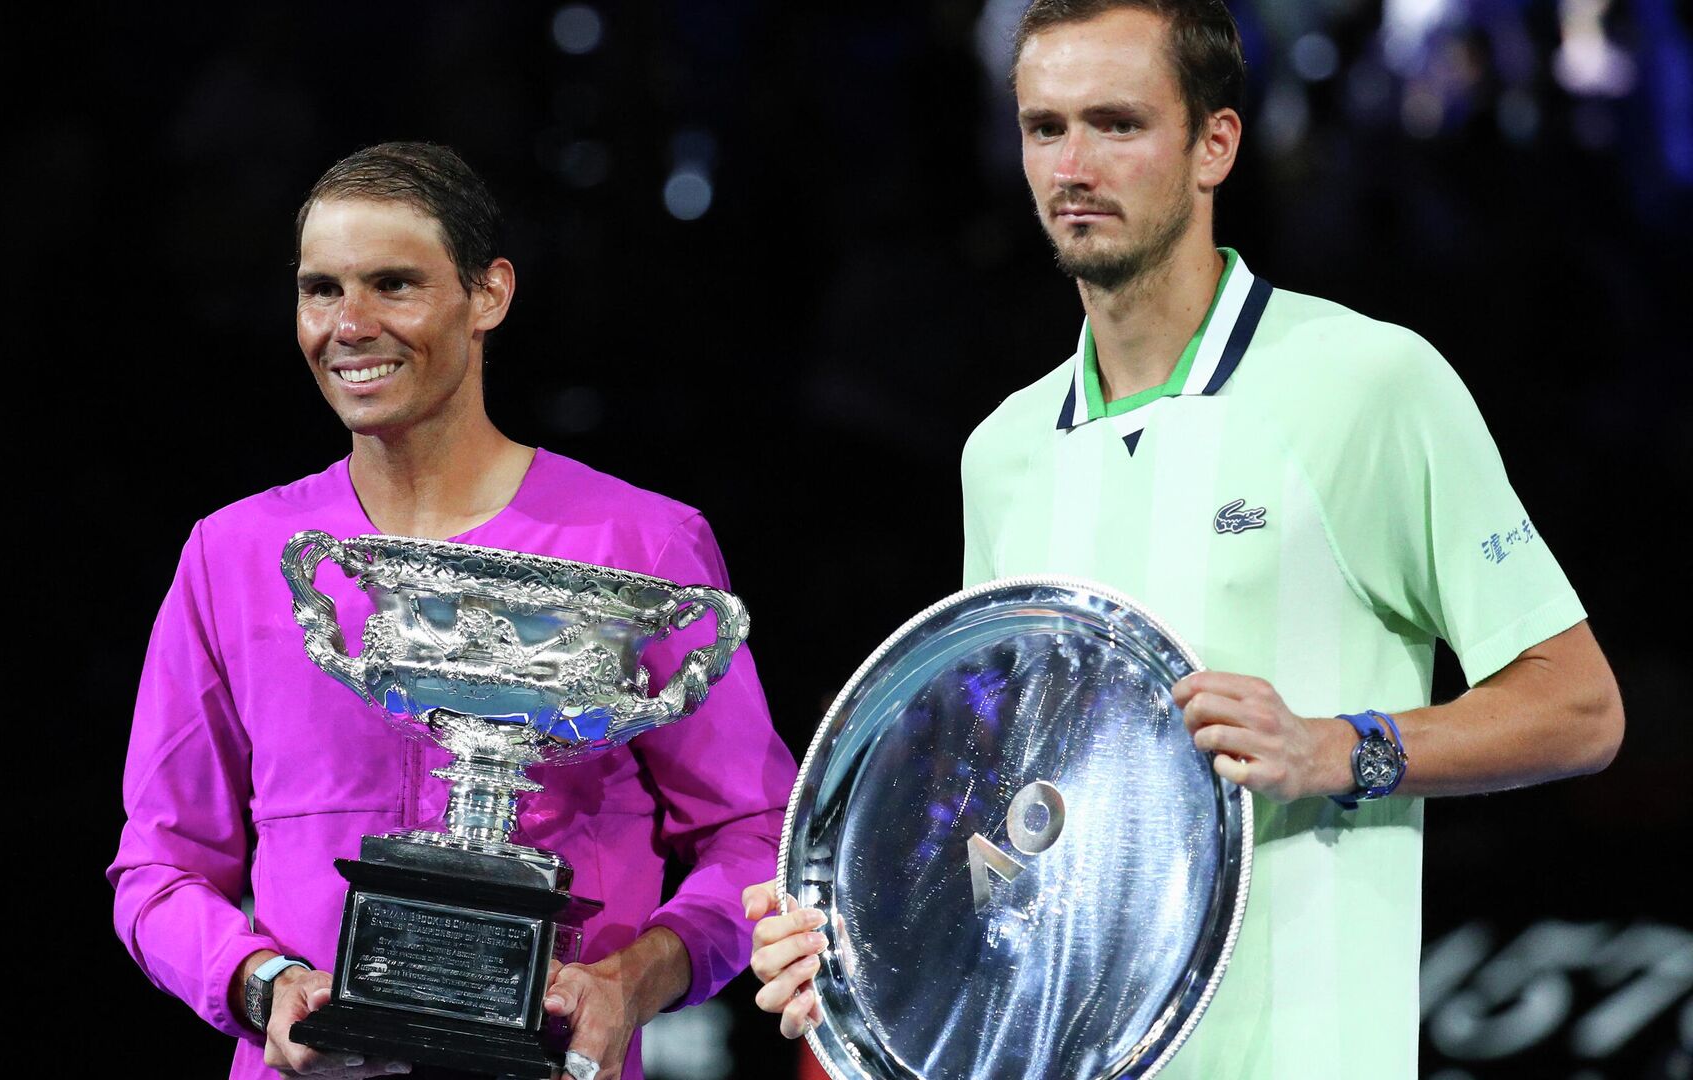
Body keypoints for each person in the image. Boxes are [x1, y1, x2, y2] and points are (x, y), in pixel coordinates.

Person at [743, 2, 1623, 1076]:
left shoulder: (1368, 383)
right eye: (1045, 126)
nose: (1073, 164)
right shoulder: (1004, 451)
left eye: (1117, 124)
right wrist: (856, 941)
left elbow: (1581, 708)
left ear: (1216, 144)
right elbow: (1013, 819)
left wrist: (1337, 748)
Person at [109, 141, 797, 1080]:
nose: (349, 325)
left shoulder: (641, 544)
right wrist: (259, 983)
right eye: (320, 290)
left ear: (490, 295)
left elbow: (753, 835)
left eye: (393, 284)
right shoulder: (233, 557)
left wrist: (633, 981)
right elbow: (158, 864)